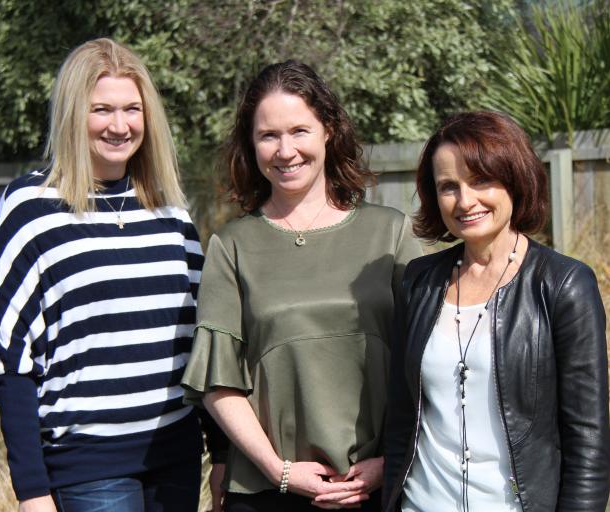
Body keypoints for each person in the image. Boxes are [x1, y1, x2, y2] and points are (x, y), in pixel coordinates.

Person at [0, 38, 226, 512]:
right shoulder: (29, 208)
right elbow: (11, 364)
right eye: (102, 110)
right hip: (88, 466)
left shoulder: (169, 210)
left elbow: (203, 341)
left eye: (132, 109)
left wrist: (220, 454)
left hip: (174, 455)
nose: (120, 125)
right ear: (74, 114)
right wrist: (32, 492)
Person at [181, 60, 422, 512]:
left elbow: (428, 362)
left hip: (378, 486)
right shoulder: (232, 247)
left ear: (328, 130)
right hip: (268, 493)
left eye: (299, 131)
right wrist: (281, 471)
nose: (285, 150)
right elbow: (219, 384)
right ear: (251, 146)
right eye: (268, 136)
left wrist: (390, 459)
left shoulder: (391, 236)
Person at [383, 111, 610, 512]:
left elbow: (588, 441)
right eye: (448, 186)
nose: (465, 200)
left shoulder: (563, 285)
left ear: (514, 178)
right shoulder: (419, 282)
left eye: (481, 180)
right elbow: (403, 416)